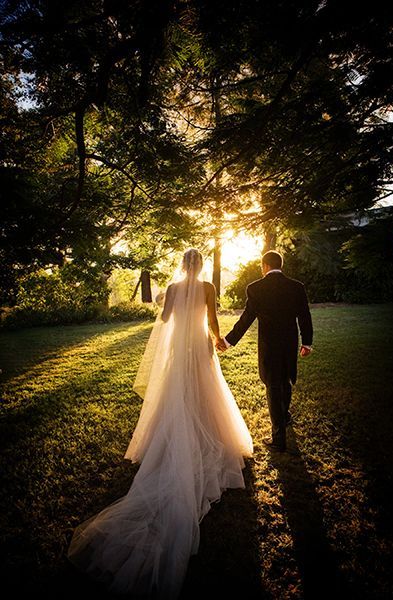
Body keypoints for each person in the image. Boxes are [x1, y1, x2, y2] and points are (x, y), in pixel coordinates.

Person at [67, 248, 253, 599]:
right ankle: (211, 434)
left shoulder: (172, 287)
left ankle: (167, 438)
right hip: (200, 347)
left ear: (182, 265)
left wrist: (163, 304)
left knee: (176, 396)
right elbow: (211, 319)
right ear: (199, 266)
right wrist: (216, 341)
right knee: (206, 392)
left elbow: (166, 321)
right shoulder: (208, 286)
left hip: (179, 352)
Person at [216, 250, 313, 452]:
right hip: (289, 342)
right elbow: (305, 315)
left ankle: (279, 438)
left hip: (269, 345)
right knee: (286, 379)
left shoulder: (255, 288)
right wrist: (307, 342)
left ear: (265, 266)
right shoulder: (297, 287)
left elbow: (246, 319)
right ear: (280, 265)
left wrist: (228, 341)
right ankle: (284, 417)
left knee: (272, 385)